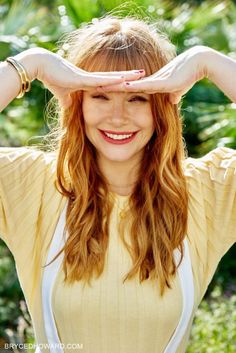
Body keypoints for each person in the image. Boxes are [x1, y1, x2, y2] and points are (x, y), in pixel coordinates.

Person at [0, 15, 236, 353]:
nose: (117, 116)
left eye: (137, 98)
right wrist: (30, 64)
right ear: (78, 104)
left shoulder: (205, 192)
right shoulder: (34, 185)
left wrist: (206, 62)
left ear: (161, 107)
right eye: (100, 96)